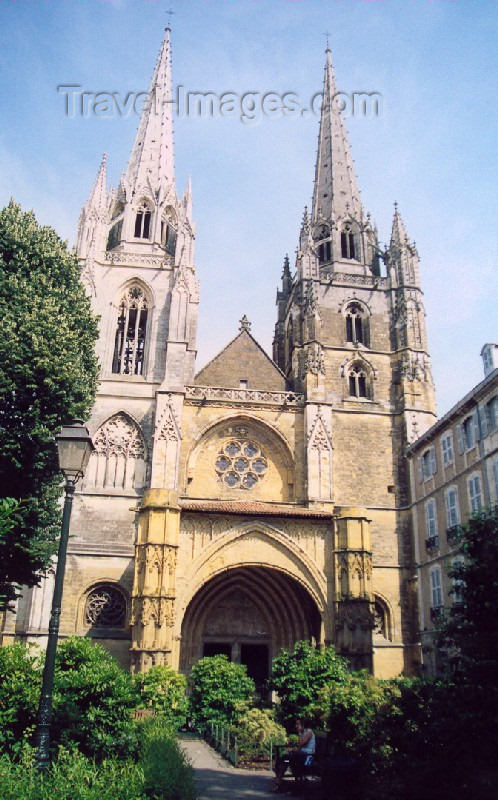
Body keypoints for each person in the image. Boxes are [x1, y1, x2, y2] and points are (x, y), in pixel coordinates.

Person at [273, 719, 316, 792]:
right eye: (296, 724)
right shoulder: (302, 733)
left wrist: (299, 733)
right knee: (285, 759)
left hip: (308, 757)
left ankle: (278, 782)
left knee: (287, 759)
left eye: (297, 724)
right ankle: (278, 781)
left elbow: (302, 744)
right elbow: (299, 749)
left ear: (302, 725)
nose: (296, 726)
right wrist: (293, 750)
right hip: (301, 755)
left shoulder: (309, 732)